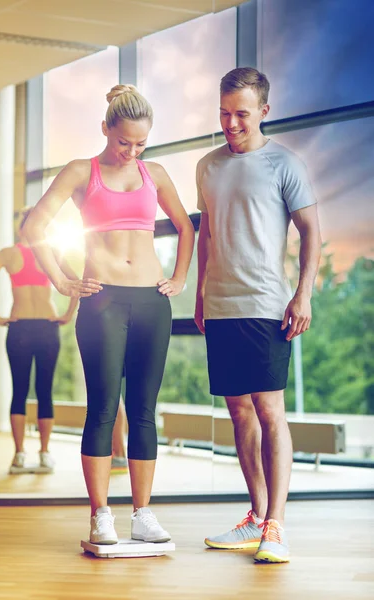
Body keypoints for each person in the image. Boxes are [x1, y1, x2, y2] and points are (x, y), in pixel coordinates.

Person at [24, 84, 195, 545]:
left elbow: (185, 226)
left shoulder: (154, 173)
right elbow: (34, 225)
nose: (132, 151)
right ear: (105, 129)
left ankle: (143, 513)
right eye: (124, 142)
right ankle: (101, 514)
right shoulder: (82, 171)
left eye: (140, 143)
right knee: (103, 408)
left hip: (151, 303)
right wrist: (61, 280)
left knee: (143, 409)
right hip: (102, 300)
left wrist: (178, 279)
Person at [195, 67, 321, 563]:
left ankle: (278, 525)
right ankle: (255, 515)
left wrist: (303, 294)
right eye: (224, 113)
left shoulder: (284, 164)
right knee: (238, 410)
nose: (230, 123)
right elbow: (206, 234)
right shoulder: (206, 166)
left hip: (267, 307)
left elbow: (311, 231)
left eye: (241, 114)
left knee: (270, 411)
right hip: (222, 307)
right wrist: (202, 294)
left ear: (265, 111)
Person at [0, 208, 78, 473]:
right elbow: (78, 283)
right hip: (47, 327)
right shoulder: (52, 252)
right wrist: (68, 313)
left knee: (19, 391)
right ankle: (43, 454)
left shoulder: (9, 253)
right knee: (45, 392)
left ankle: (20, 455)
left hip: (19, 327)